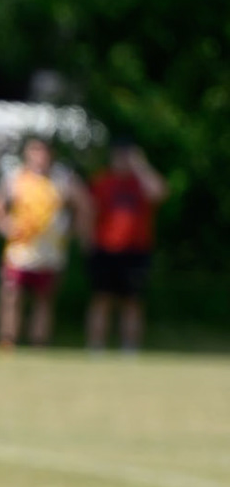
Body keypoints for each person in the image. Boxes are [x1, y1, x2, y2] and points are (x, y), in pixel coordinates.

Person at [0, 137, 93, 350]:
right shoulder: (16, 177)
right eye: (35, 151)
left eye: (43, 152)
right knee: (12, 295)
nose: (40, 157)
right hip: (20, 249)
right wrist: (4, 224)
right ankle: (7, 341)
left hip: (50, 251)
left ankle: (39, 344)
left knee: (44, 299)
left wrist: (76, 230)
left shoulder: (62, 179)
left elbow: (84, 204)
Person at [85, 142, 167, 352]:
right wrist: (87, 242)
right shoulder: (102, 181)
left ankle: (129, 349)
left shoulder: (141, 183)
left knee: (133, 301)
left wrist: (141, 165)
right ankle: (96, 348)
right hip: (105, 249)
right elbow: (89, 213)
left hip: (136, 250)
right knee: (101, 299)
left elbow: (160, 192)